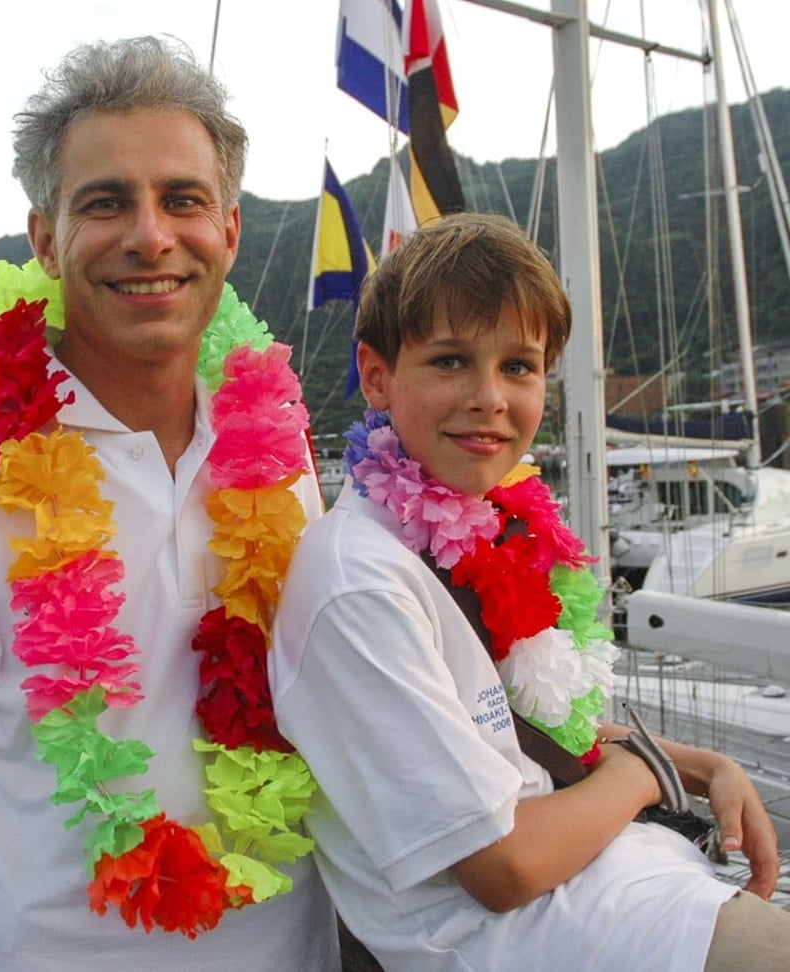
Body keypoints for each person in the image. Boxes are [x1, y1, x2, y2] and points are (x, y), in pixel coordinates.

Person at [0, 36, 339, 970]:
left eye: (183, 199)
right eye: (105, 201)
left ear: (230, 232)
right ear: (46, 237)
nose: (150, 236)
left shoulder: (275, 448)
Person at [268, 212, 790, 970]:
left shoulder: (474, 536)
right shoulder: (358, 583)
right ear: (377, 375)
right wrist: (646, 773)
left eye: (519, 366)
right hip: (554, 942)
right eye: (450, 361)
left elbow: (526, 736)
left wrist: (704, 766)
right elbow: (501, 868)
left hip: (636, 894)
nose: (489, 397)